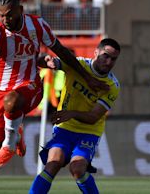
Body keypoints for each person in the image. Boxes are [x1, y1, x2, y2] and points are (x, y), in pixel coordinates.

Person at [0, 0, 109, 171]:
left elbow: (61, 51)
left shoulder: (37, 25)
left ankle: (10, 142)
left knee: (12, 101)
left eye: (9, 14)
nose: (4, 19)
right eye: (0, 15)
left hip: (30, 85)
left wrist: (87, 77)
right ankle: (16, 133)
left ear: (20, 10)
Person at [29, 38, 121, 194]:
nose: (109, 61)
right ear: (96, 52)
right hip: (65, 128)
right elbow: (44, 62)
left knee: (77, 168)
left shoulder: (111, 86)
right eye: (106, 55)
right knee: (53, 163)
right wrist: (45, 60)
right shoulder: (77, 64)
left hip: (89, 131)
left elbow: (93, 117)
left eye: (113, 59)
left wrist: (71, 113)